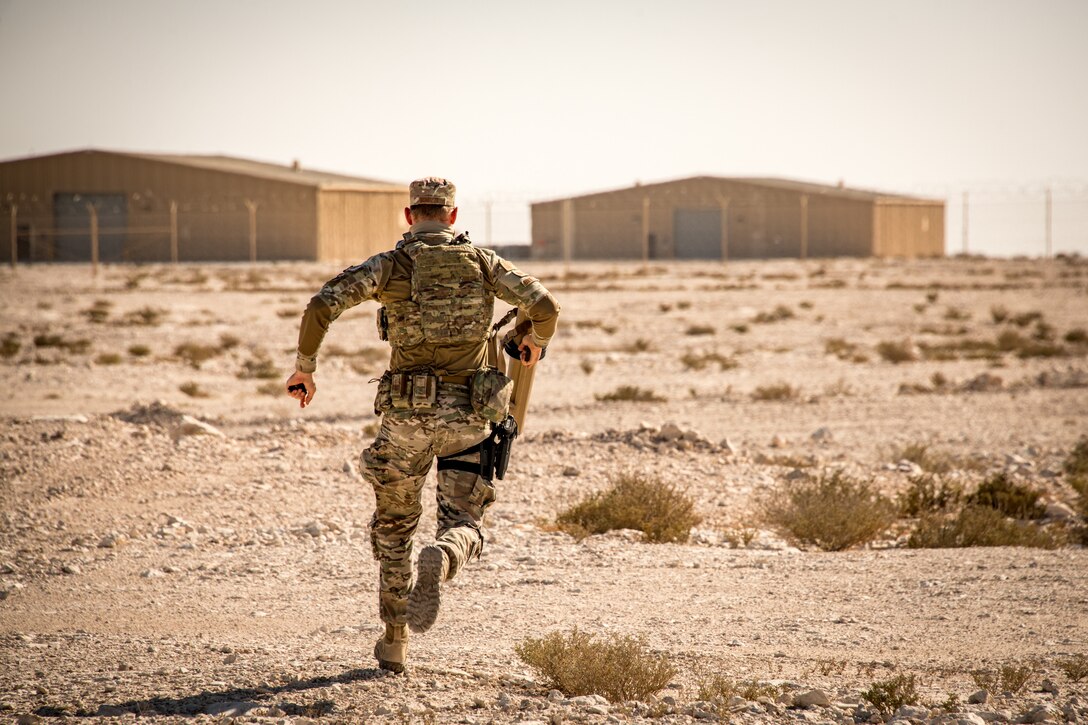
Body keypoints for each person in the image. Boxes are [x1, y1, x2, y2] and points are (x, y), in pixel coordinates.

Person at [285, 177, 560, 674]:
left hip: (406, 419)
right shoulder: (483, 262)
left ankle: (394, 643)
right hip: (471, 419)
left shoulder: (390, 265)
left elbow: (321, 306)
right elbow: (544, 306)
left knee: (394, 530)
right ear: (452, 217)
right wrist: (534, 341)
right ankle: (446, 553)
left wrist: (306, 368)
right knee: (465, 521)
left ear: (410, 216)